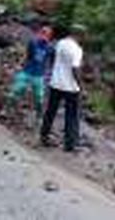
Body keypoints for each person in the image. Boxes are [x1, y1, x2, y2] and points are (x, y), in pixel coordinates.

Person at [40, 24, 86, 152]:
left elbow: (54, 59)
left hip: (56, 83)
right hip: (70, 87)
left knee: (50, 111)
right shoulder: (77, 49)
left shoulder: (60, 43)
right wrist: (81, 86)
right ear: (79, 35)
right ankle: (70, 144)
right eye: (83, 35)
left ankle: (44, 135)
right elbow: (75, 68)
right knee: (71, 115)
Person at [6, 25, 55, 119]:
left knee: (39, 97)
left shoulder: (50, 48)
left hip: (39, 74)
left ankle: (39, 115)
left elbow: (52, 61)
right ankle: (8, 110)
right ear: (40, 33)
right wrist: (20, 65)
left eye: (47, 34)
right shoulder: (33, 42)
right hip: (27, 71)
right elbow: (28, 55)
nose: (44, 35)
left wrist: (49, 73)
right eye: (43, 32)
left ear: (50, 36)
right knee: (15, 90)